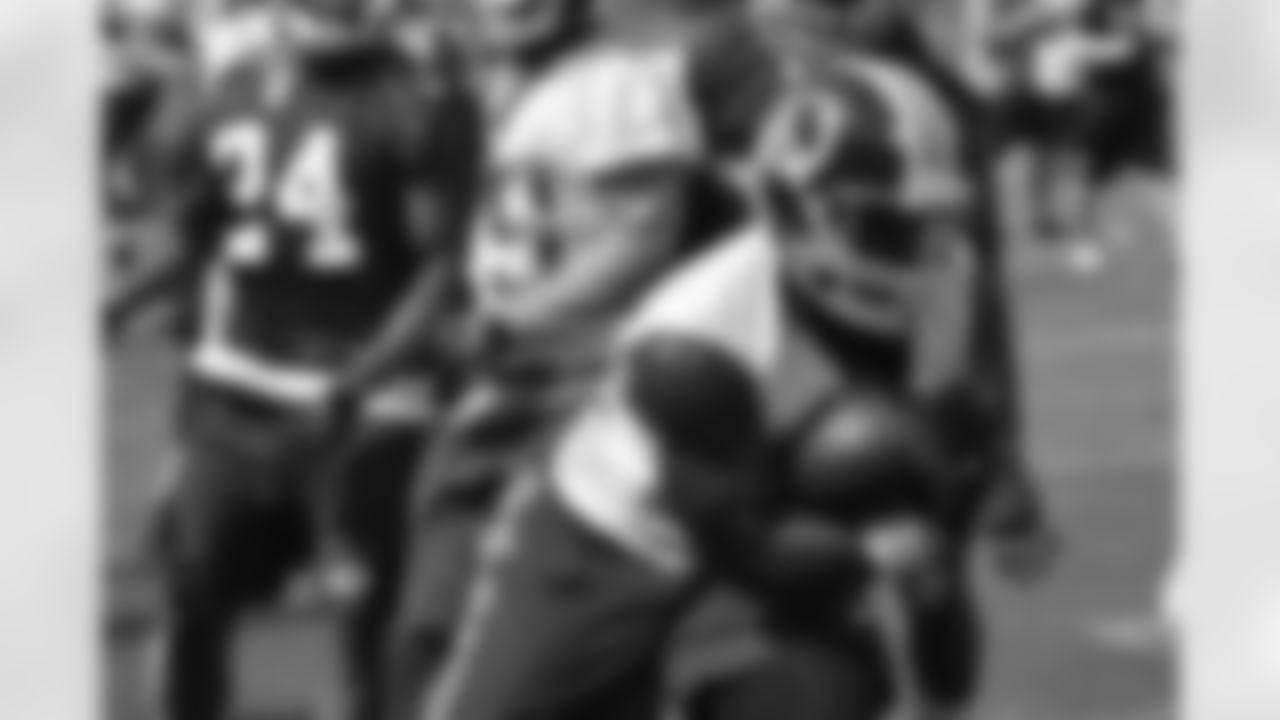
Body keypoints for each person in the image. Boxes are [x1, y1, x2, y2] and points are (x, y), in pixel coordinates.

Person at [106, 1, 482, 718]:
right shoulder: (230, 81)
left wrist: (360, 381)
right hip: (235, 382)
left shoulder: (418, 100)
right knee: (191, 596)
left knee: (369, 616)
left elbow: (440, 269)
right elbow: (193, 232)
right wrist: (115, 303)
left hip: (369, 398)